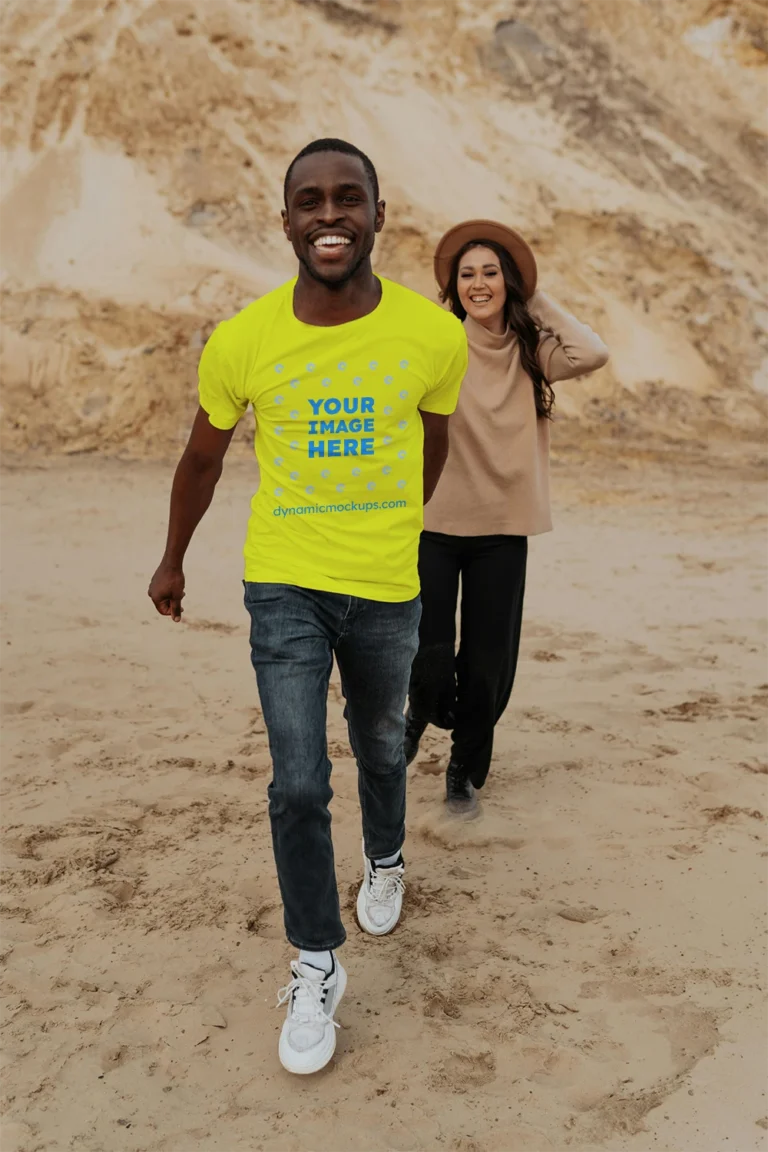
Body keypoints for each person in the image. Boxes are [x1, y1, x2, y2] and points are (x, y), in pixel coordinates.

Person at [148, 139, 467, 1075]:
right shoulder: (244, 339)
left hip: (383, 586)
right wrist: (172, 559)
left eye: (348, 199)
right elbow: (203, 458)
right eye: (310, 202)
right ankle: (316, 960)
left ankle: (385, 856)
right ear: (285, 219)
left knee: (378, 745)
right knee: (295, 780)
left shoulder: (431, 336)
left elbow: (431, 444)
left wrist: (401, 527)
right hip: (283, 581)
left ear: (378, 213)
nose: (330, 216)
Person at [404, 220, 609, 815]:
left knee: (487, 662)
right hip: (435, 525)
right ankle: (418, 711)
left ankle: (462, 772)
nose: (478, 283)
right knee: (429, 650)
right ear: (453, 286)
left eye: (491, 272)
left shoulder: (532, 350)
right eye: (466, 274)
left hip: (502, 531)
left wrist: (533, 295)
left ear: (508, 280)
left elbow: (591, 352)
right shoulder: (438, 340)